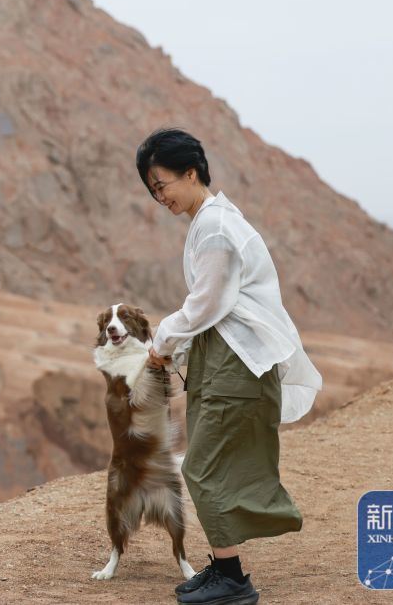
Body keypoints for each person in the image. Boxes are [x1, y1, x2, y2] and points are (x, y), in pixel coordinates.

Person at [136, 128, 322, 605]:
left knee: (202, 466)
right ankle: (223, 566)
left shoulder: (216, 228)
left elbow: (206, 303)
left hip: (236, 362)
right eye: (152, 190)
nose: (160, 197)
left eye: (162, 185)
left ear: (191, 172)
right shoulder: (211, 220)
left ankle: (234, 580)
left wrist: (162, 340)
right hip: (222, 358)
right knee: (212, 462)